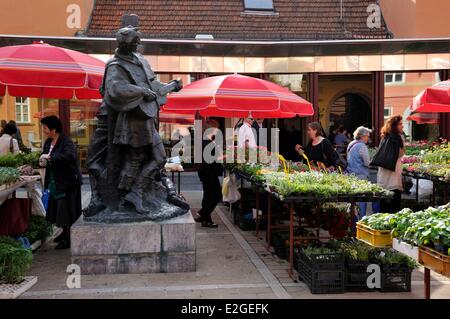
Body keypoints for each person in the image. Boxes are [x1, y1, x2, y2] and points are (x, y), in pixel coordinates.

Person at [39, 116, 82, 249]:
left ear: (54, 129)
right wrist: (41, 160)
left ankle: (69, 238)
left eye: (45, 127)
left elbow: (70, 156)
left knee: (66, 209)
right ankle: (64, 233)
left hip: (67, 181)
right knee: (59, 209)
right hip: (54, 180)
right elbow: (45, 156)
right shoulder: (48, 142)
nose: (44, 130)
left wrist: (51, 157)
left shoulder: (66, 141)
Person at [373, 115, 405, 214]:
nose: (402, 126)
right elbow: (400, 153)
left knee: (384, 203)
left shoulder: (385, 137)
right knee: (394, 204)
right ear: (394, 126)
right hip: (393, 173)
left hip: (384, 173)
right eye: (400, 124)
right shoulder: (397, 137)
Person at [195, 119, 223, 228]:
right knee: (216, 195)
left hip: (204, 172)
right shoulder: (208, 143)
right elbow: (213, 160)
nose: (217, 130)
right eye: (216, 128)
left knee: (207, 195)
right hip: (209, 173)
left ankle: (205, 218)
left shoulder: (204, 141)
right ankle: (204, 215)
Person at [346, 126, 372, 218]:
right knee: (361, 199)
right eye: (367, 136)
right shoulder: (362, 146)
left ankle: (352, 219)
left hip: (350, 174)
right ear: (362, 136)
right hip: (361, 176)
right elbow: (367, 163)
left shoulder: (351, 144)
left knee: (353, 200)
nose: (368, 138)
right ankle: (360, 220)